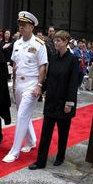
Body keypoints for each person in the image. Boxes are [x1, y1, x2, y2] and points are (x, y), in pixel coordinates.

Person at [29, 30, 79, 170]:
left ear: (66, 42)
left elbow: (73, 83)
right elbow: (48, 77)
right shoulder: (52, 57)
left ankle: (60, 156)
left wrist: (69, 103)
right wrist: (40, 89)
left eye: (59, 41)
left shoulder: (73, 60)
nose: (56, 43)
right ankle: (40, 161)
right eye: (55, 40)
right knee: (45, 133)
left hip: (64, 103)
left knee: (63, 134)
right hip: (51, 101)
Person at [2, 11, 48, 163]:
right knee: (24, 114)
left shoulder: (39, 44)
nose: (21, 28)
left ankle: (14, 152)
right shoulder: (17, 43)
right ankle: (31, 141)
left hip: (32, 84)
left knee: (22, 115)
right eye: (20, 25)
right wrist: (14, 85)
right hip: (19, 84)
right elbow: (15, 65)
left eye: (24, 26)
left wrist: (39, 85)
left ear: (32, 27)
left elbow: (43, 66)